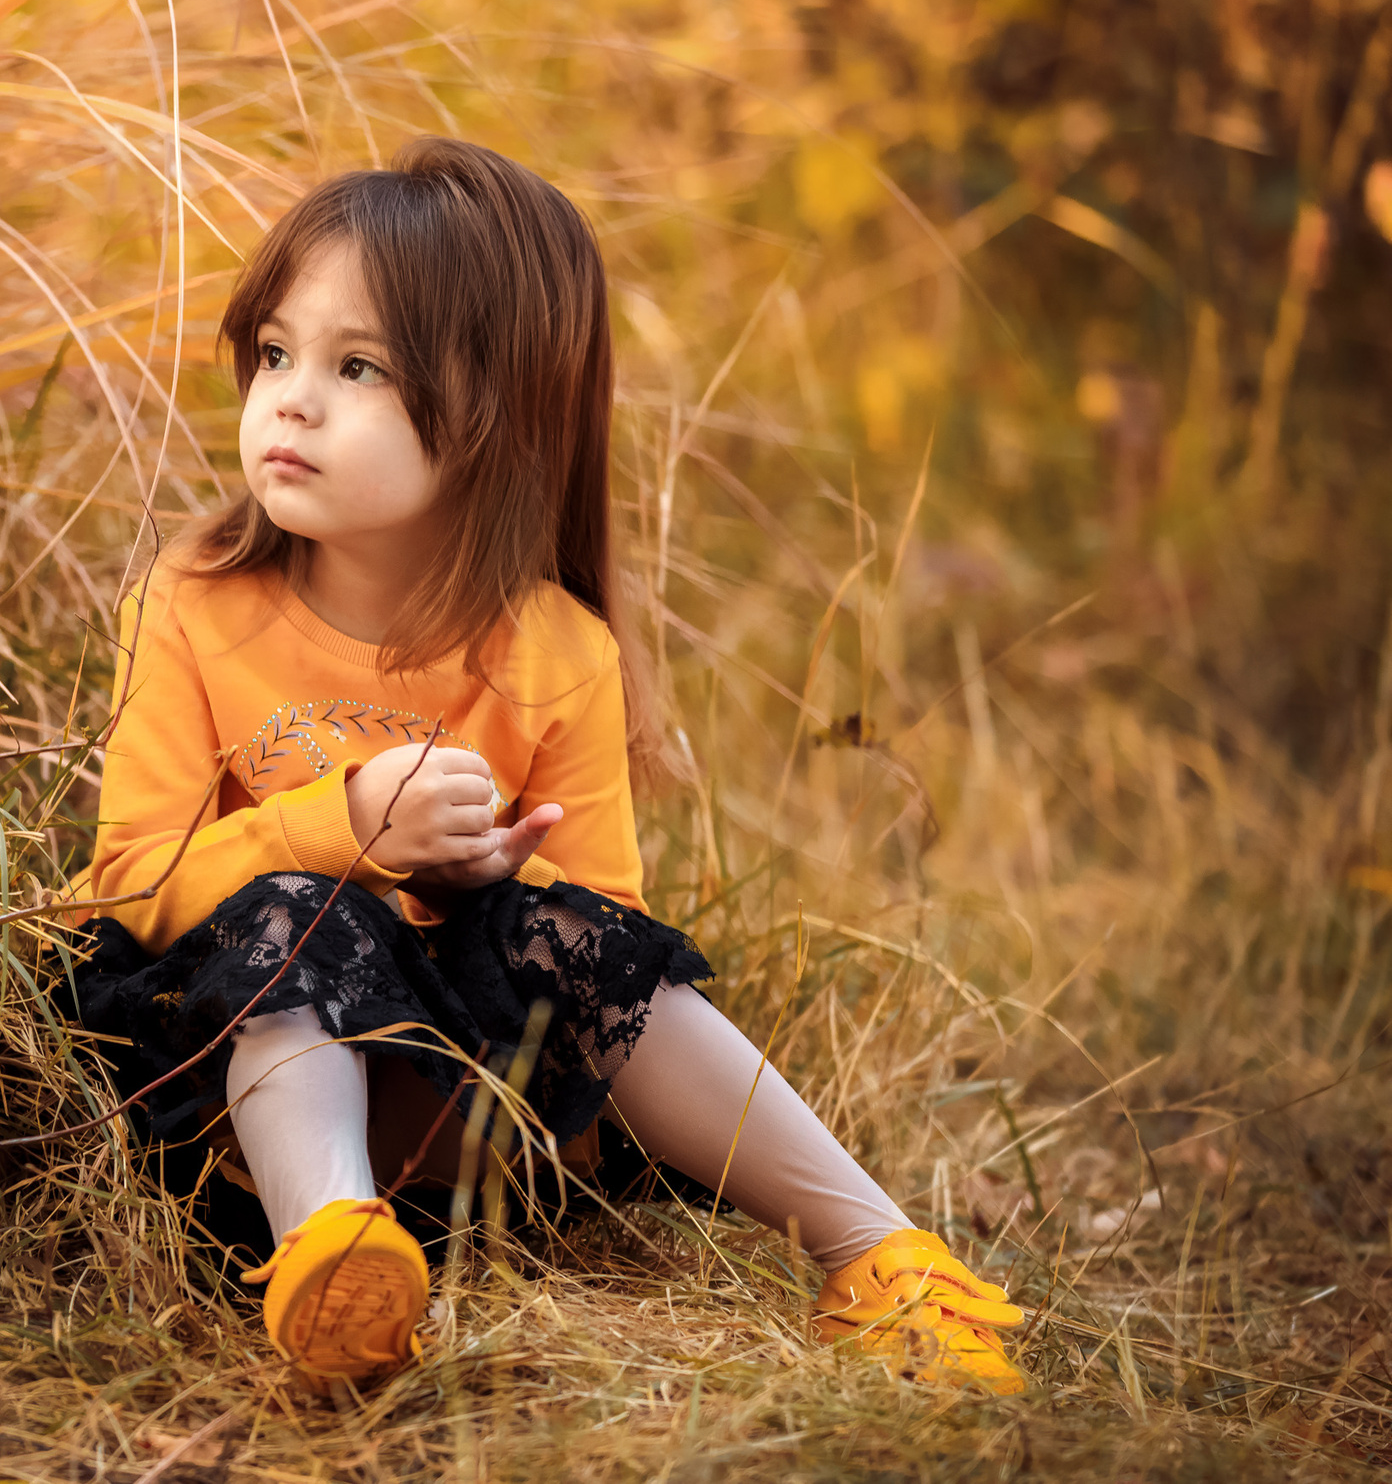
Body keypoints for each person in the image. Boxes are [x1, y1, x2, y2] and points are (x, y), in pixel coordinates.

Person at [63, 138, 1027, 1392]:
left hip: (467, 1122)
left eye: (357, 368)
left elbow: (609, 956)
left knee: (569, 937)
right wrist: (337, 824)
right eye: (276, 354)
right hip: (236, 1105)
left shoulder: (554, 648)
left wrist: (475, 886)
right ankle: (330, 1258)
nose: (290, 401)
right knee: (305, 912)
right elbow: (130, 884)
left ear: (496, 421)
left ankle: (882, 1258)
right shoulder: (193, 605)